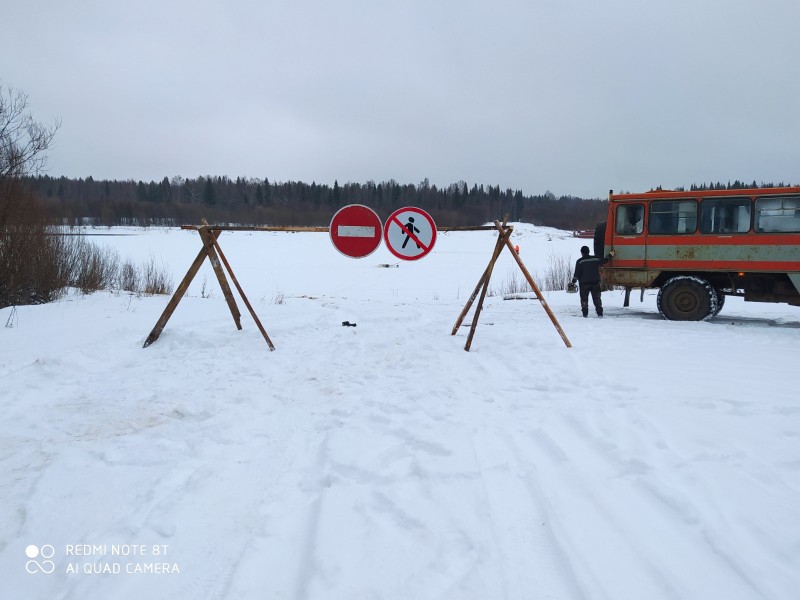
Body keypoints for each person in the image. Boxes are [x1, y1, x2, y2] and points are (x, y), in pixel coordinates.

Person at [571, 245, 615, 317]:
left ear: (581, 253)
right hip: (595, 283)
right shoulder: (595, 259)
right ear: (588, 251)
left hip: (583, 284)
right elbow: (605, 260)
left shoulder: (579, 261)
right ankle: (600, 314)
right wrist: (610, 254)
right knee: (597, 300)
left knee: (584, 300)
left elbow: (577, 273)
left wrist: (573, 281)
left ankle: (585, 314)